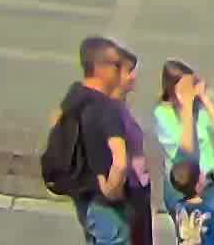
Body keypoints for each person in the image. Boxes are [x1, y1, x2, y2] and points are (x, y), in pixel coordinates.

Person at [45, 36, 153, 245]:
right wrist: (112, 191)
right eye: (117, 66)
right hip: (107, 205)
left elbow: (55, 124)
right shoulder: (107, 109)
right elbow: (120, 162)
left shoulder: (76, 95)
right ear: (101, 69)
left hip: (84, 196)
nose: (120, 70)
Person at [151, 60, 214, 245]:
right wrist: (187, 108)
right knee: (193, 239)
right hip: (182, 186)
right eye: (187, 87)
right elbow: (186, 149)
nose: (192, 91)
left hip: (206, 182)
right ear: (173, 90)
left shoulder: (199, 107)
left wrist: (204, 98)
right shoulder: (162, 114)